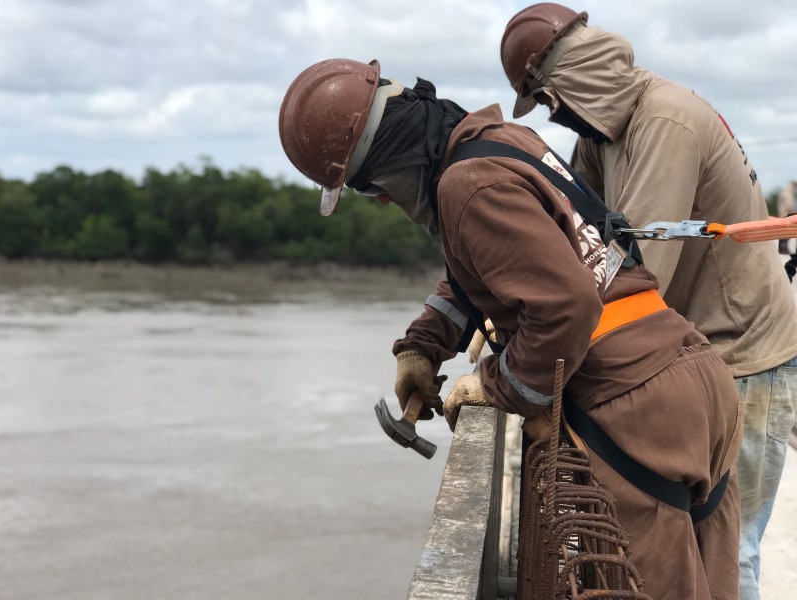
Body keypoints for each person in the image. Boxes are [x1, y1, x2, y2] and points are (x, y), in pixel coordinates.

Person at [279, 57, 742, 599]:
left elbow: (566, 306)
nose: (383, 199)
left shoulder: (466, 187)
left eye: (370, 186)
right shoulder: (502, 144)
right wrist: (422, 345)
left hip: (634, 406)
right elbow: (485, 266)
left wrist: (496, 387)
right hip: (691, 377)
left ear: (391, 158)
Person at [499, 5, 797, 598]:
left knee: (729, 550)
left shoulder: (665, 121)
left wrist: (536, 366)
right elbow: (575, 237)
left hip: (742, 354)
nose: (554, 116)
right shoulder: (603, 134)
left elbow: (636, 273)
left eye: (550, 100)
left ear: (576, 78)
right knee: (683, 546)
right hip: (692, 355)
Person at [777, 181, 797, 254]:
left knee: (783, 232)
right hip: (787, 215)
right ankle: (783, 247)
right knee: (787, 232)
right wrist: (793, 214)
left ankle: (782, 247)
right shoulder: (788, 193)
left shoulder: (784, 191)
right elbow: (789, 205)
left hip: (782, 214)